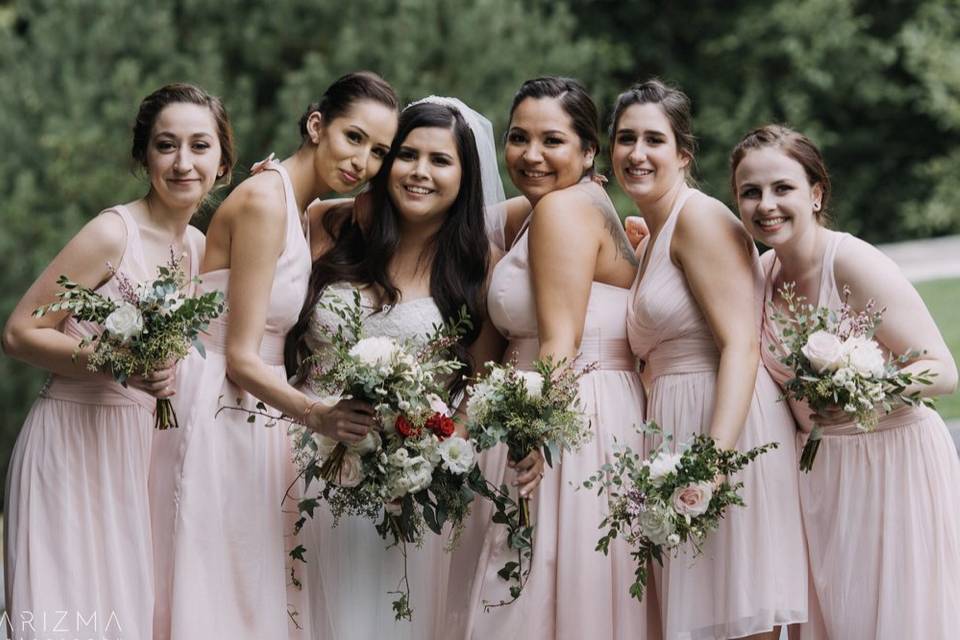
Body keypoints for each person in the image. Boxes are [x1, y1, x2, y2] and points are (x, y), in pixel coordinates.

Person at [148, 71, 399, 640]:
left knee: (252, 578)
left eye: (380, 151)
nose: (364, 161)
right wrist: (319, 414)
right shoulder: (266, 199)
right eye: (353, 137)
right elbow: (239, 355)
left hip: (256, 408)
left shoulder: (296, 203)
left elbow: (411, 208)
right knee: (219, 577)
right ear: (316, 125)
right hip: (221, 401)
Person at [285, 95, 544, 640]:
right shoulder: (328, 224)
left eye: (440, 160)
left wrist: (426, 459)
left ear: (465, 175)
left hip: (406, 487)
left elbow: (475, 385)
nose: (420, 172)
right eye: (407, 155)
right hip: (298, 462)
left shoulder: (478, 268)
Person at [2, 83, 234, 638]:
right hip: (72, 442)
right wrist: (120, 363)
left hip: (136, 453)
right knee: (63, 615)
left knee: (121, 617)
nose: (183, 163)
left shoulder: (200, 249)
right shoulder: (112, 233)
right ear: (143, 157)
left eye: (200, 146)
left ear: (223, 163)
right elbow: (18, 332)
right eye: (166, 145)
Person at [732, 124, 960, 640]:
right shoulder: (762, 273)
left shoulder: (851, 262)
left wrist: (862, 391)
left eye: (782, 188)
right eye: (751, 192)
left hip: (893, 463)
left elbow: (941, 369)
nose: (766, 204)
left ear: (815, 193)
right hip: (821, 477)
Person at [459, 76, 656, 640]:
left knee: (536, 586)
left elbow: (558, 343)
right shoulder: (552, 205)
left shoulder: (562, 211)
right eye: (519, 138)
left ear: (588, 151)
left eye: (552, 141)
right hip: (576, 403)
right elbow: (452, 213)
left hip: (564, 415)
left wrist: (533, 434)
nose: (531, 155)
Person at [618, 80, 807, 640]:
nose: (637, 152)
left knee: (737, 610)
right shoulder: (656, 232)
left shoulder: (698, 219)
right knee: (705, 614)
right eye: (625, 138)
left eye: (655, 139)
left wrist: (715, 460)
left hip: (724, 425)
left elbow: (741, 343)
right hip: (680, 426)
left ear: (682, 154)